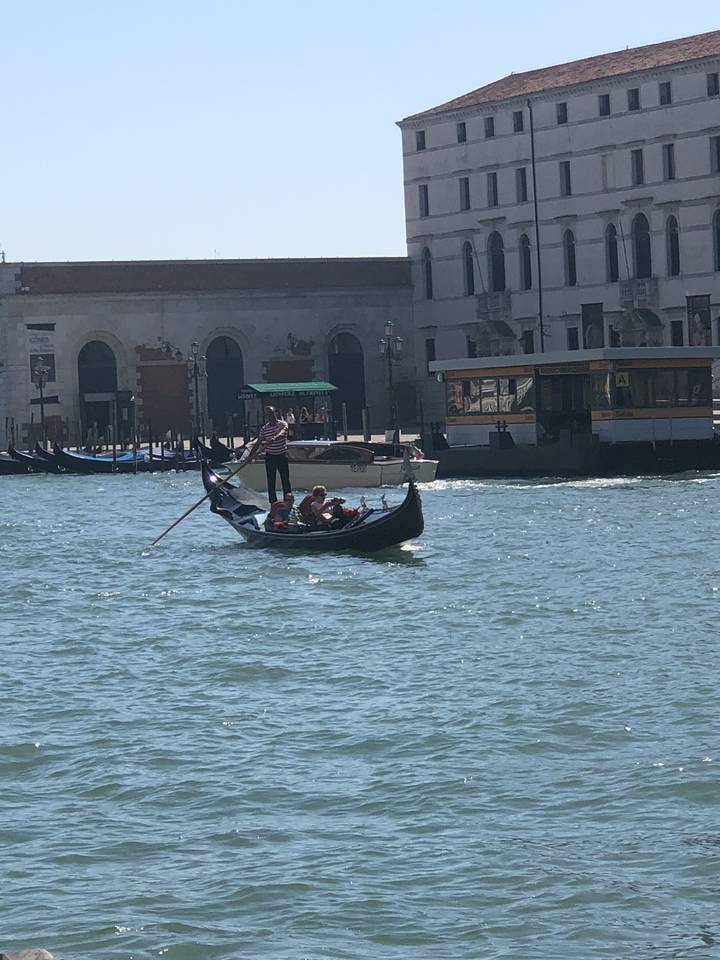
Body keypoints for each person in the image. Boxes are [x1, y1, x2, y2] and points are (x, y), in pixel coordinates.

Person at [252, 405, 291, 505]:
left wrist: (275, 437)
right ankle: (273, 503)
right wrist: (250, 456)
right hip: (270, 457)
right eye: (267, 415)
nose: (270, 416)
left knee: (285, 479)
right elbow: (258, 442)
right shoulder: (264, 429)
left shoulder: (283, 424)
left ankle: (288, 501)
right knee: (271, 481)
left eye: (271, 413)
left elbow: (283, 432)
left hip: (282, 455)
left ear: (275, 413)